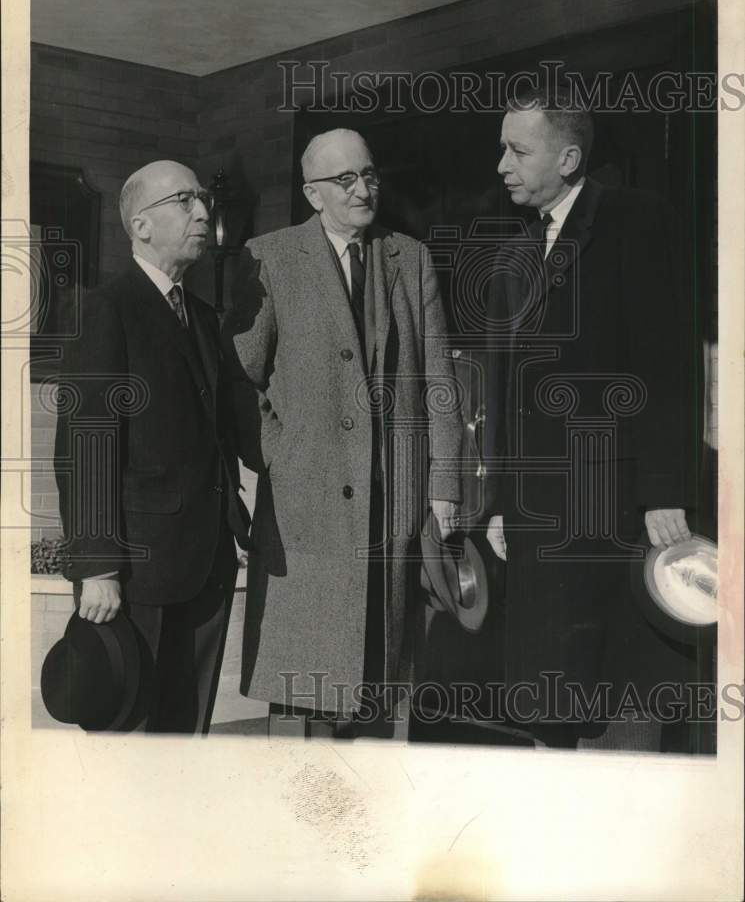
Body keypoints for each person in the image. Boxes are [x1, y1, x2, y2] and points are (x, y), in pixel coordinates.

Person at [223, 128, 463, 736]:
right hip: (305, 504)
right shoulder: (269, 256)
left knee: (380, 680)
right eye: (345, 180)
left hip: (392, 499)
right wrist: (279, 451)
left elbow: (439, 376)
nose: (364, 189)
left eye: (370, 175)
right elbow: (239, 379)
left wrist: (445, 482)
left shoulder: (408, 257)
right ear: (312, 193)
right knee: (304, 686)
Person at [483, 87, 700, 749]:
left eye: (517, 150)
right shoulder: (517, 246)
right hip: (534, 508)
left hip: (607, 502)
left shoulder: (637, 219)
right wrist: (498, 499)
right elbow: (506, 386)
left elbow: (666, 364)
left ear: (570, 157)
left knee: (612, 692)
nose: (500, 164)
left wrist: (664, 489)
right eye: (501, 148)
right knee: (543, 694)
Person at [54, 159, 251, 733]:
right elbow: (86, 447)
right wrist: (96, 568)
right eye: (184, 201)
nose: (202, 211)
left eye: (202, 200)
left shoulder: (206, 317)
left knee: (184, 732)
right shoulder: (103, 309)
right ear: (141, 226)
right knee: (130, 736)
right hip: (136, 575)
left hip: (207, 566)